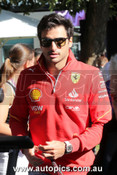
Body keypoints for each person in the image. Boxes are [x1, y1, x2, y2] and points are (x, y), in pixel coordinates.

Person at [9, 13, 112, 175]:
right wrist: (25, 147)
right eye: (47, 42)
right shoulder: (27, 76)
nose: (53, 47)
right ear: (41, 44)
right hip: (40, 168)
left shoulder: (91, 74)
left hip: (79, 169)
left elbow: (100, 126)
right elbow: (16, 119)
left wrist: (68, 146)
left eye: (60, 41)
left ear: (70, 41)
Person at [0, 43, 35, 175]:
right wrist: (27, 133)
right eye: (34, 63)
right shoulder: (7, 88)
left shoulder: (13, 86)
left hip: (13, 154)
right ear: (27, 64)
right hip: (6, 157)